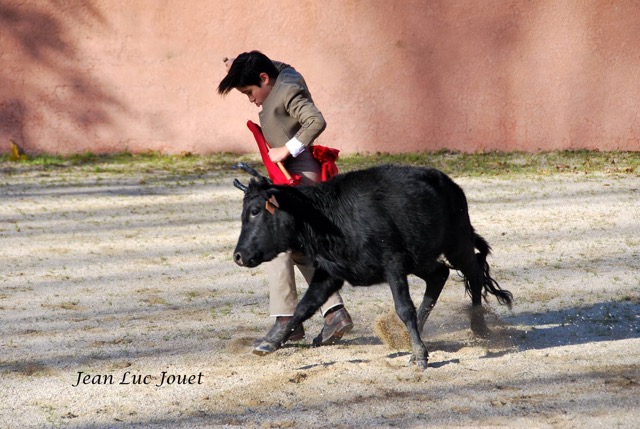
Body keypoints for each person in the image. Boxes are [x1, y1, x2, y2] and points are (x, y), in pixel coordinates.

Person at [218, 51, 353, 353]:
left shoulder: (289, 89)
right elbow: (272, 65)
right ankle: (333, 312)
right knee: (298, 248)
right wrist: (237, 68)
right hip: (292, 177)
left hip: (300, 177)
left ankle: (286, 321)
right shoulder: (280, 74)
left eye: (250, 92)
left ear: (264, 80)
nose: (252, 100)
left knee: (273, 241)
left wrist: (287, 149)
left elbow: (316, 120)